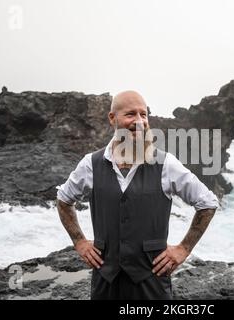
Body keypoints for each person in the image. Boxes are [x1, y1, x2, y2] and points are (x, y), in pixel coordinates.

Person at [56, 90, 218, 300]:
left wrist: (183, 249)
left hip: (151, 285)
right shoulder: (91, 164)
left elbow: (207, 202)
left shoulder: (166, 164)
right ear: (112, 118)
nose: (140, 121)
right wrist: (79, 242)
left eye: (144, 114)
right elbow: (63, 199)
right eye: (131, 114)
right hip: (105, 285)